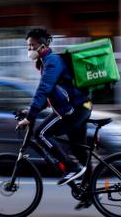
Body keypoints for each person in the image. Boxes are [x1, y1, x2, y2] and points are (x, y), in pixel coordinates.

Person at [17, 28, 93, 195]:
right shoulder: (48, 62)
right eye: (28, 46)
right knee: (79, 151)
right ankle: (88, 192)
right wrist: (31, 110)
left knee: (41, 134)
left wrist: (31, 117)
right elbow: (53, 94)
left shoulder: (51, 61)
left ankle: (72, 168)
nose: (29, 50)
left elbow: (44, 89)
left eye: (31, 46)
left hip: (73, 109)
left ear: (42, 46)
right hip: (80, 107)